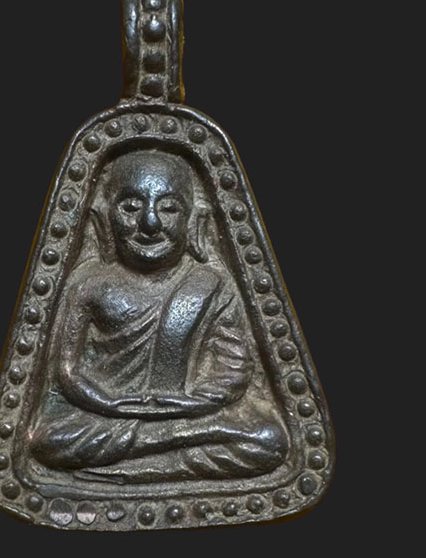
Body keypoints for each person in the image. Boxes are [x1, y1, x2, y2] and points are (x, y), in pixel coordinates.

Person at [30, 150, 288, 482]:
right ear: (104, 219)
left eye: (168, 208)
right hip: (108, 416)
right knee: (47, 441)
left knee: (268, 439)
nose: (149, 223)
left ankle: (130, 469)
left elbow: (234, 365)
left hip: (188, 414)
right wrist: (110, 404)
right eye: (130, 207)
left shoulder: (210, 285)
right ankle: (163, 456)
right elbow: (68, 372)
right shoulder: (89, 286)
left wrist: (194, 404)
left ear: (194, 221)